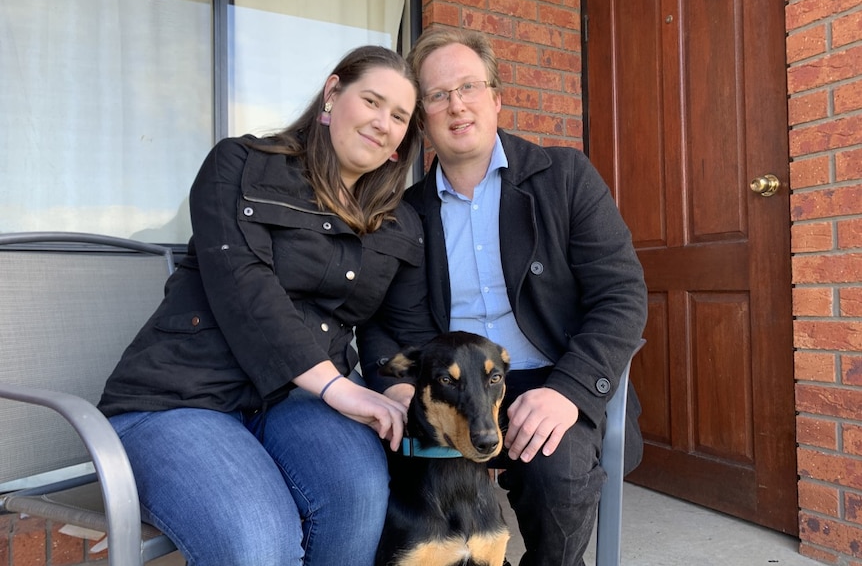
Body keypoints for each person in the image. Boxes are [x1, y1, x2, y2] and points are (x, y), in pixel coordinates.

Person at [97, 45, 437, 566]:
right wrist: (337, 387)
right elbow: (244, 285)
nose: (382, 123)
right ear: (332, 93)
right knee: (261, 541)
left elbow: (398, 328)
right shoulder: (239, 164)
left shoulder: (399, 224)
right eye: (372, 101)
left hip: (292, 406)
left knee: (358, 495)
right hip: (180, 398)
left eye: (399, 117)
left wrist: (399, 391)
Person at [359, 28, 648, 566]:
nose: (457, 105)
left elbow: (622, 295)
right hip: (448, 388)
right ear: (422, 118)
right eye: (438, 95)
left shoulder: (565, 177)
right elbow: (379, 322)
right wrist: (391, 385)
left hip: (554, 375)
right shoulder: (402, 214)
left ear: (495, 97)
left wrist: (569, 390)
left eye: (468, 87)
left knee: (554, 466)